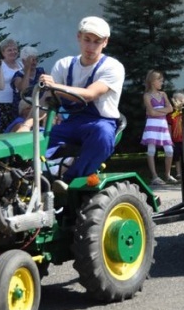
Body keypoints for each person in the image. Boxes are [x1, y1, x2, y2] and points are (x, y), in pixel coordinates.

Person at [39, 16, 124, 189]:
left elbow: (89, 94)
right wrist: (27, 124)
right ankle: (30, 177)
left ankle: (67, 181)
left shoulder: (112, 67)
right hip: (71, 124)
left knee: (102, 135)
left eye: (97, 42)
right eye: (87, 40)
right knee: (32, 137)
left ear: (105, 42)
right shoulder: (63, 65)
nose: (91, 47)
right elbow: (47, 101)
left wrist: (55, 86)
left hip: (99, 122)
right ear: (79, 37)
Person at [141, 70, 176, 185]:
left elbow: (170, 109)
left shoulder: (163, 94)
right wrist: (162, 111)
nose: (162, 83)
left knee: (169, 150)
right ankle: (154, 176)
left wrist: (157, 111)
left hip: (162, 126)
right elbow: (151, 112)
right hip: (152, 126)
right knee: (151, 149)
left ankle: (167, 174)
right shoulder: (147, 95)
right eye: (160, 81)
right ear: (152, 82)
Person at [0, 38, 22, 133]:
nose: (13, 52)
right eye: (9, 50)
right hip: (3, 105)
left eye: (15, 49)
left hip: (19, 104)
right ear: (3, 52)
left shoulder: (21, 64)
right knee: (4, 132)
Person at [12, 45, 45, 109]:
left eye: (36, 60)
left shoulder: (41, 71)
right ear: (24, 61)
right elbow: (24, 89)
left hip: (40, 106)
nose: (35, 62)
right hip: (25, 110)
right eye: (32, 60)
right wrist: (28, 69)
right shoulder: (18, 75)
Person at [167, 90, 184, 180]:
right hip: (175, 140)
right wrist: (170, 139)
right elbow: (169, 127)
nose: (179, 102)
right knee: (177, 157)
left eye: (181, 100)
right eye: (177, 100)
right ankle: (179, 173)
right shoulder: (171, 115)